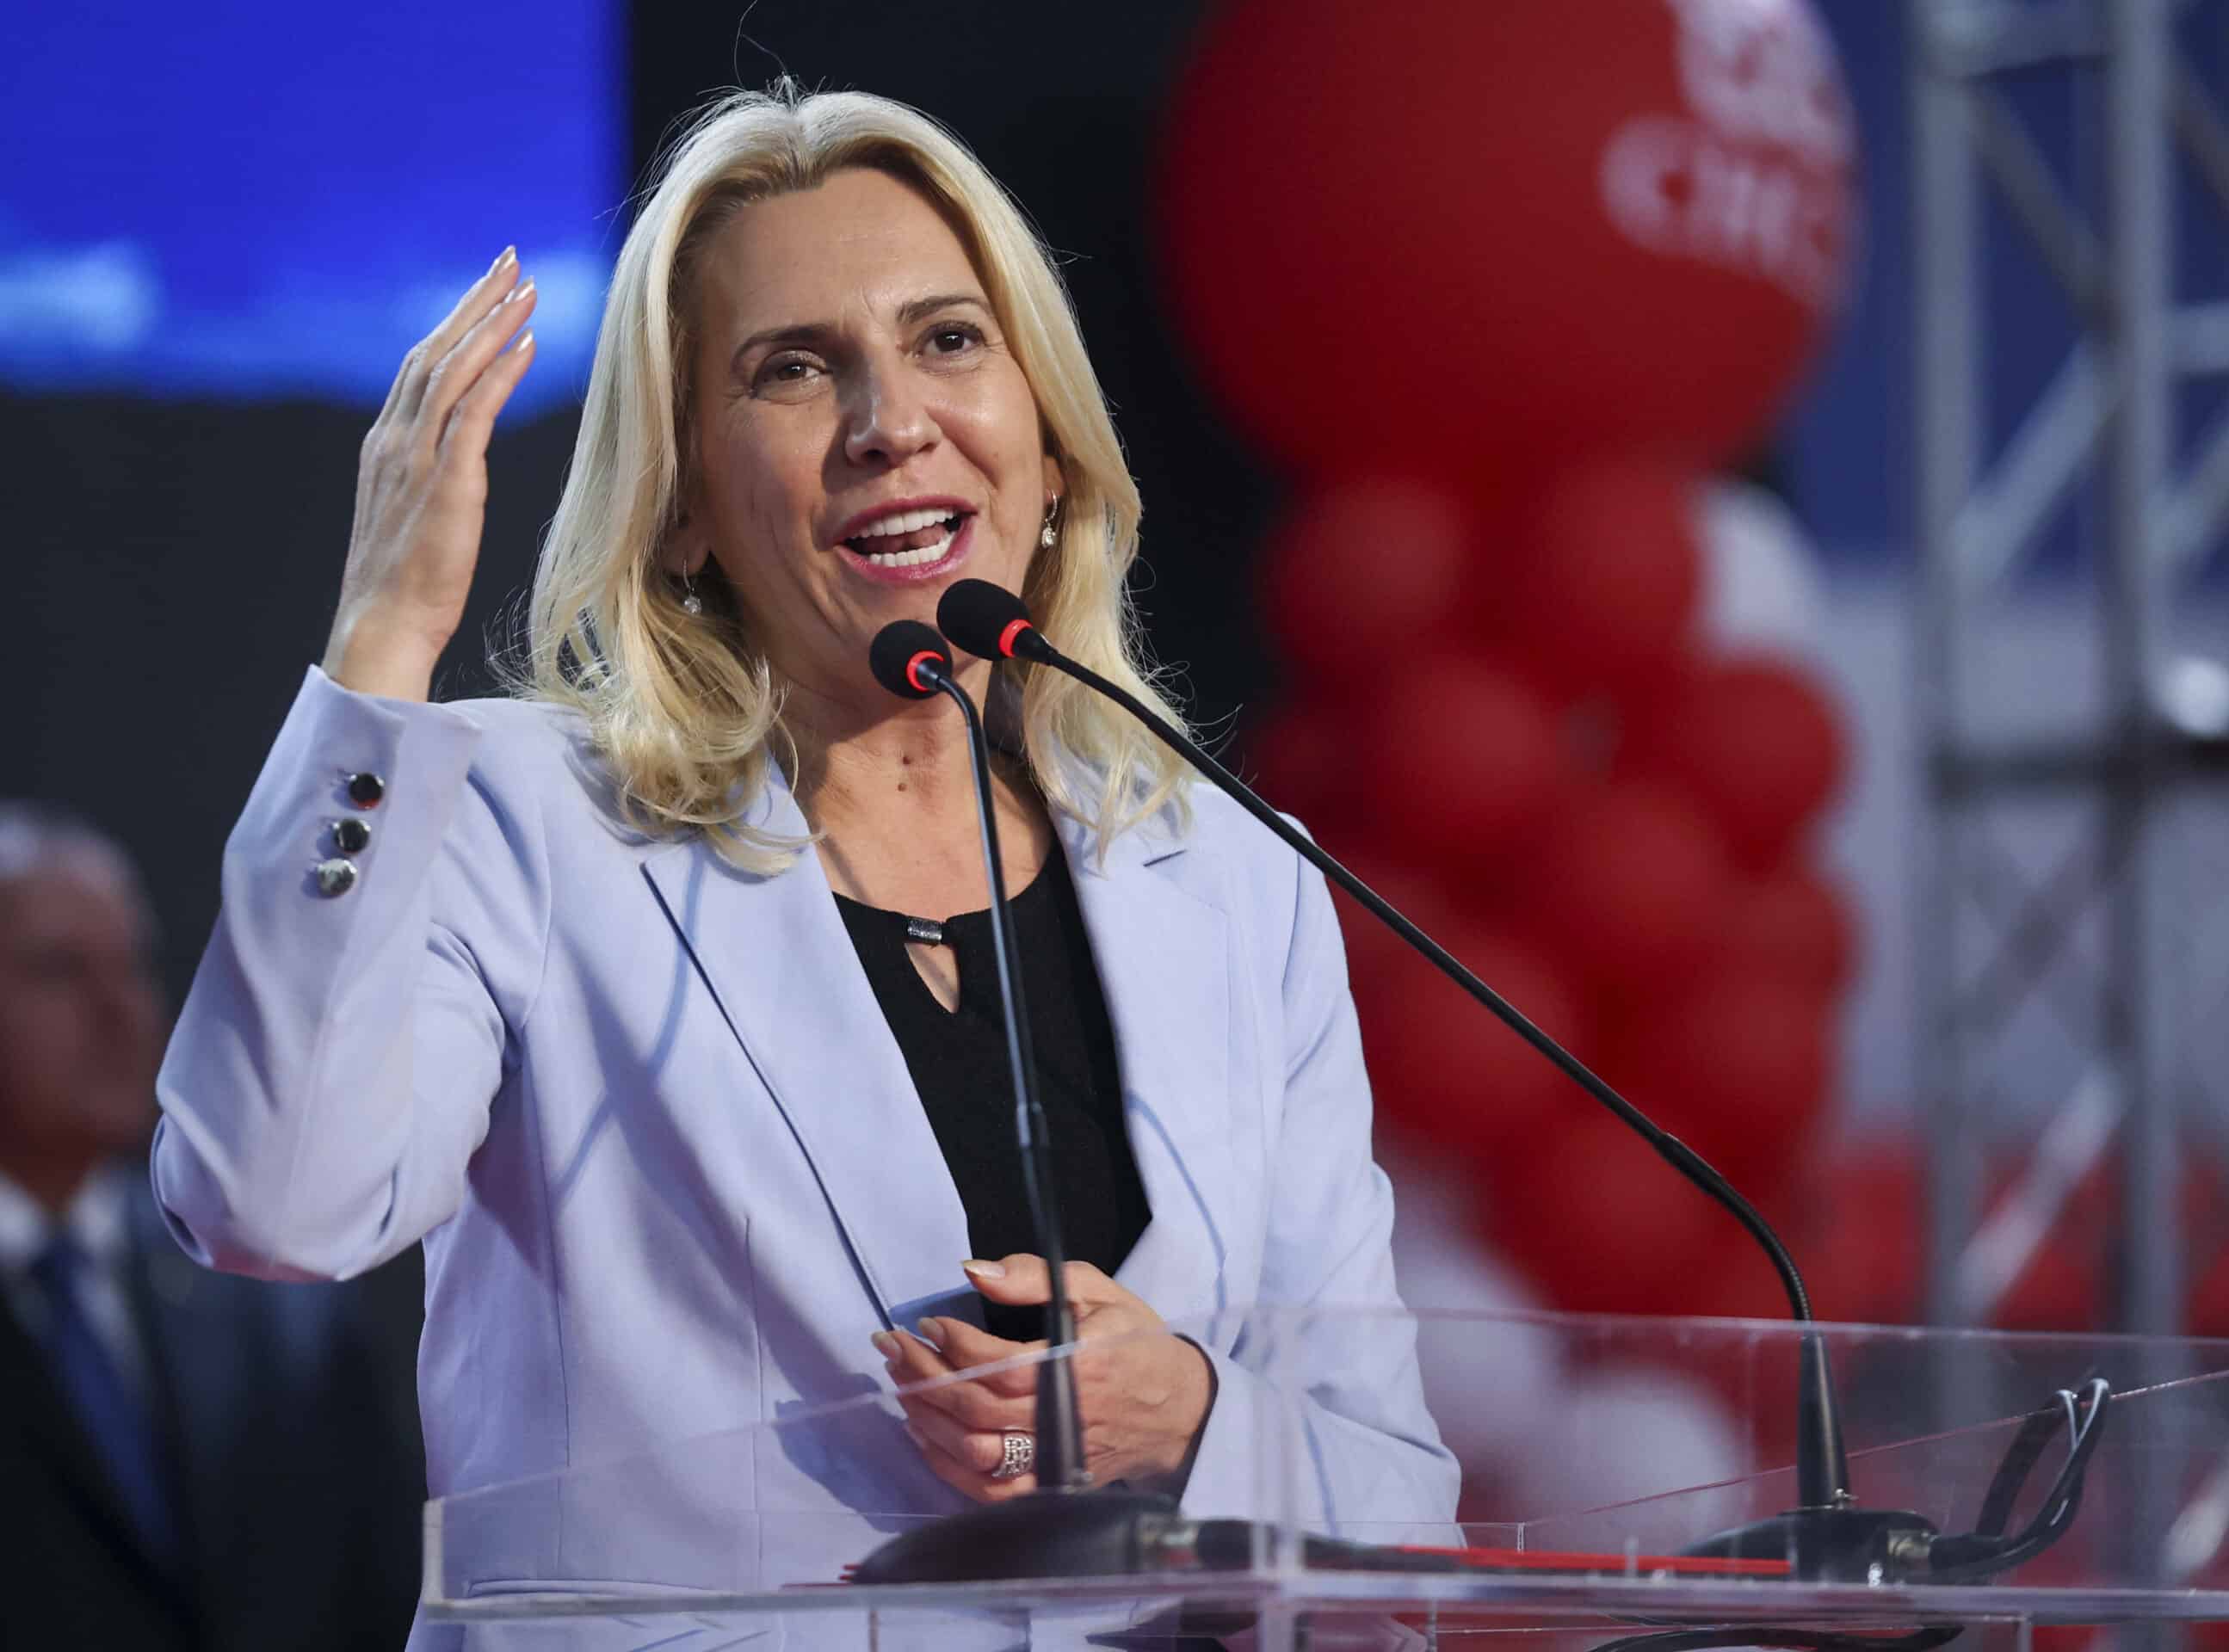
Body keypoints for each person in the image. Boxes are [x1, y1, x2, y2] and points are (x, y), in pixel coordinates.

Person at [151, 83, 1457, 1616]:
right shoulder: (526, 824)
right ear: (687, 502)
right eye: (793, 368)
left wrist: (1192, 1423)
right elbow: (269, 1205)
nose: (892, 421)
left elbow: (1397, 1489)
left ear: (1043, 441)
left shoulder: (1235, 878)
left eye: (949, 341)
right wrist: (386, 644)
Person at [1, 804, 425, 1649]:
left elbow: (381, 1595)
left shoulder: (281, 1309)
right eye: (59, 970)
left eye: (133, 967)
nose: (120, 1009)